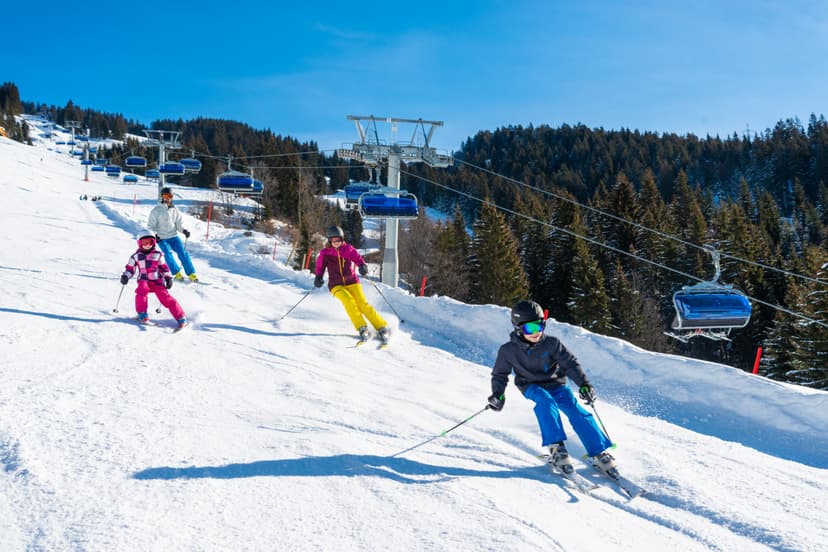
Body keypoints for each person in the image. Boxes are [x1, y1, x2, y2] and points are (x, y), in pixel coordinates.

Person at [486, 299, 616, 476]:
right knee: (546, 402)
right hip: (530, 385)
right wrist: (498, 394)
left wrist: (584, 384)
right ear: (518, 328)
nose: (536, 332)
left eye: (540, 326)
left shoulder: (552, 343)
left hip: (556, 383)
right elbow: (500, 374)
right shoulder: (508, 350)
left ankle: (599, 451)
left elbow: (570, 364)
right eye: (530, 328)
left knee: (576, 410)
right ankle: (556, 448)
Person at [314, 225, 390, 343]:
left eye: (338, 240)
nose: (336, 242)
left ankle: (381, 327)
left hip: (352, 281)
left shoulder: (348, 249)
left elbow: (358, 258)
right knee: (349, 302)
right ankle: (362, 328)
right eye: (333, 240)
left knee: (362, 304)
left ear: (342, 239)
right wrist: (318, 276)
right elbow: (320, 266)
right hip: (336, 284)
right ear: (329, 241)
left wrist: (362, 266)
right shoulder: (325, 253)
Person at [120, 233, 188, 328]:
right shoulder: (135, 256)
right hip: (143, 280)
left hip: (157, 281)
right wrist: (126, 276)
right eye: (144, 242)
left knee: (166, 298)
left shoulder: (158, 255)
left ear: (154, 242)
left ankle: (181, 317)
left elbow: (163, 268)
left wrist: (168, 278)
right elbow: (130, 269)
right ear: (139, 243)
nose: (147, 245)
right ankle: (142, 314)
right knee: (142, 290)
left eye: (150, 242)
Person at [147, 186, 198, 282]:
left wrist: (184, 230)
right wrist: (155, 235)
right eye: (165, 196)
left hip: (173, 236)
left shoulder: (174, 210)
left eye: (169, 196)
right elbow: (150, 226)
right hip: (161, 237)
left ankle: (191, 273)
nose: (167, 198)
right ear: (162, 197)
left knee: (183, 253)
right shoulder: (156, 210)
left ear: (172, 197)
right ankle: (177, 273)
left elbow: (178, 224)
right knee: (167, 253)